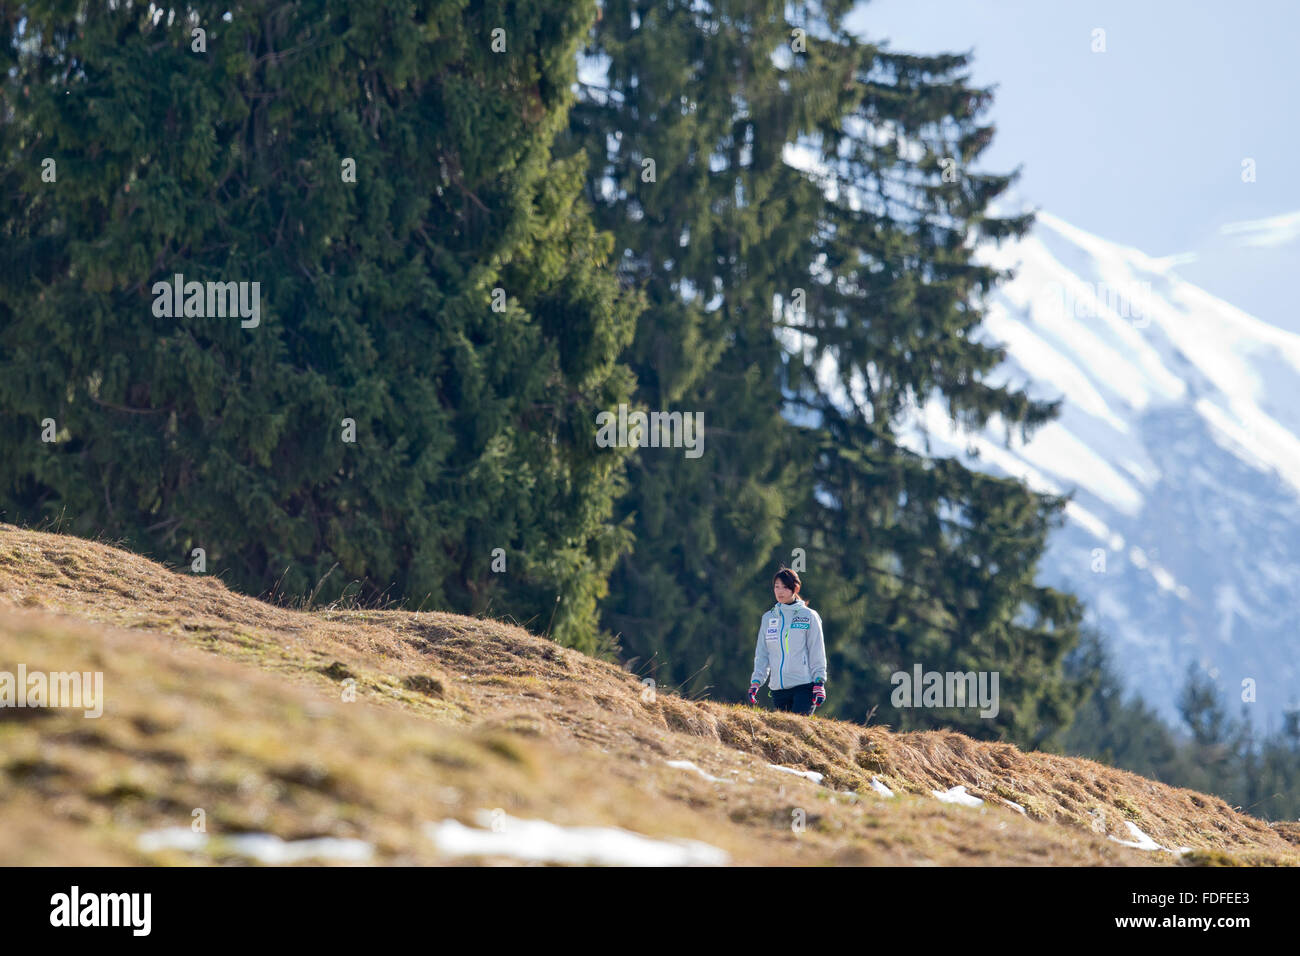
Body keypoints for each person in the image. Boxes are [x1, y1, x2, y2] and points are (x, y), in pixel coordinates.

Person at [747, 567, 827, 714]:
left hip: (804, 686)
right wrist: (756, 682)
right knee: (785, 734)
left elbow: (817, 650)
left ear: (795, 588)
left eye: (785, 587)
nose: (780, 591)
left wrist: (819, 682)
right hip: (778, 689)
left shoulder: (809, 616)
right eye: (777, 587)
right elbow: (763, 654)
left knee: (797, 729)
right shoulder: (768, 618)